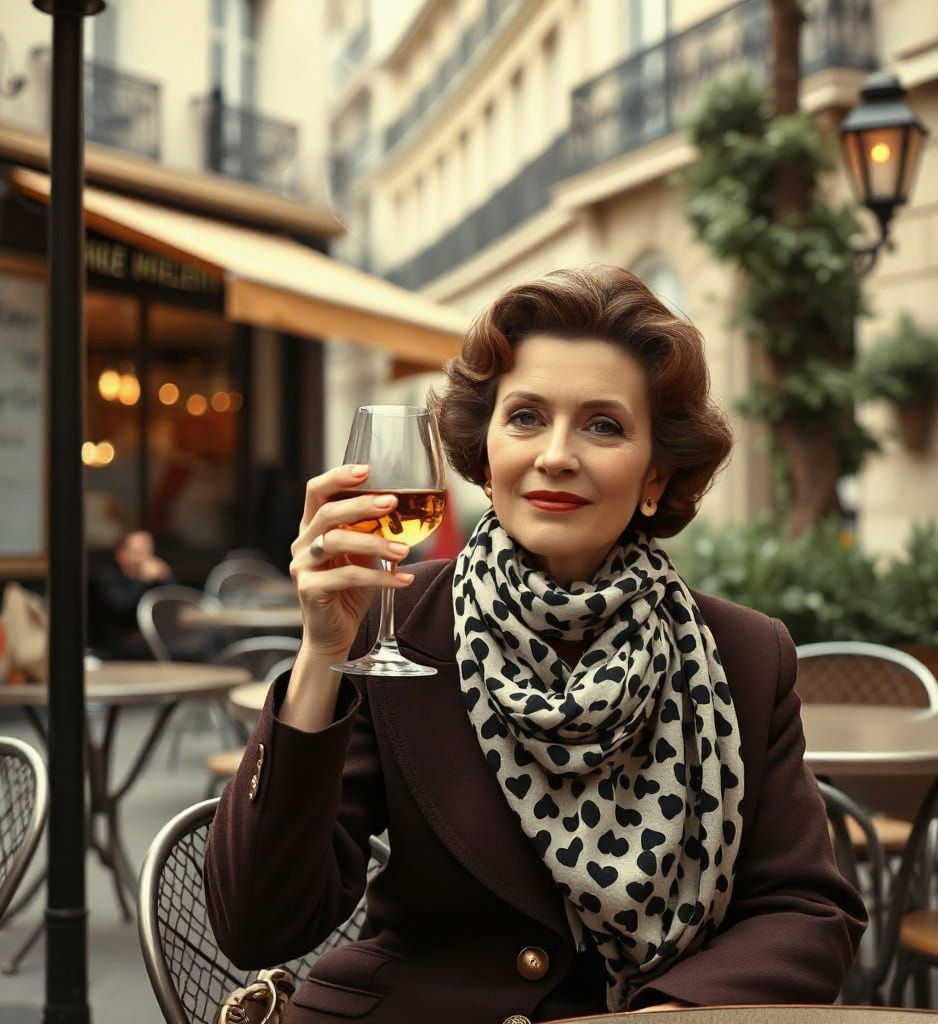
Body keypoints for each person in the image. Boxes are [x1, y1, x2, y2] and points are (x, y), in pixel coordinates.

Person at [205, 267, 866, 1024]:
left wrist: (672, 1013)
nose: (556, 454)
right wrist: (322, 653)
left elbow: (807, 911)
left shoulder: (745, 653)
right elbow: (258, 924)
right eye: (525, 417)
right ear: (485, 459)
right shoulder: (396, 620)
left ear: (655, 476)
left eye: (603, 425)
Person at [88, 528, 173, 660]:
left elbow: (173, 604)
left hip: (155, 637)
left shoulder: (156, 577)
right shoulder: (106, 576)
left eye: (148, 551)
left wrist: (165, 578)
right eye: (137, 552)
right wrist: (144, 581)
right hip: (115, 643)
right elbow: (121, 609)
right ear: (120, 553)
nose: (143, 558)